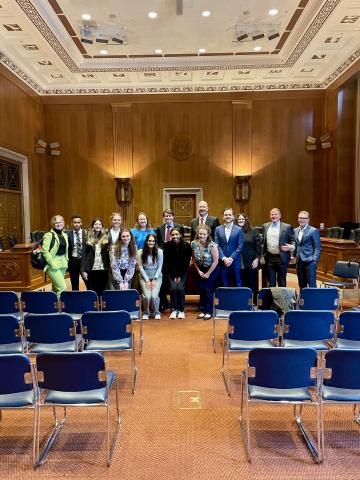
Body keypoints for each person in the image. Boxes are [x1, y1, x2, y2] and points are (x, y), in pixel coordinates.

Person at [156, 209, 185, 311]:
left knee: (176, 283)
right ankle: (164, 302)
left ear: (173, 217)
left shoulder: (180, 227)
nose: (168, 218)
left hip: (176, 258)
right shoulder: (159, 228)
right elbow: (158, 243)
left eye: (170, 216)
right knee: (164, 282)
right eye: (166, 216)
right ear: (164, 218)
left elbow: (183, 242)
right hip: (164, 258)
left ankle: (178, 304)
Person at [191, 224, 219, 319]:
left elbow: (215, 261)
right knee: (202, 289)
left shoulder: (212, 245)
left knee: (208, 289)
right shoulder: (193, 244)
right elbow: (194, 259)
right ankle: (202, 310)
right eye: (200, 234)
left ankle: (209, 311)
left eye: (204, 234)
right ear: (197, 234)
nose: (202, 236)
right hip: (200, 269)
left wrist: (208, 273)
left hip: (212, 269)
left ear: (208, 234)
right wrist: (198, 271)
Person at [262, 208, 295, 287]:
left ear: (280, 216)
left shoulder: (287, 227)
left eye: (276, 214)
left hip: (282, 257)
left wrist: (292, 247)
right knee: (271, 282)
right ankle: (271, 299)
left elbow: (293, 240)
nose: (274, 216)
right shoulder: (265, 226)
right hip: (269, 257)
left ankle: (281, 299)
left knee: (281, 281)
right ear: (270, 216)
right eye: (272, 214)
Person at [163, 227, 192, 319]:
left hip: (182, 272)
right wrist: (174, 274)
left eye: (176, 234)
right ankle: (173, 310)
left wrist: (179, 275)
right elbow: (167, 261)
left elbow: (186, 262)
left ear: (180, 235)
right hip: (171, 272)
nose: (175, 236)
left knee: (180, 289)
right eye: (173, 235)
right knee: (173, 289)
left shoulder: (187, 246)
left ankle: (181, 310)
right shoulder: (167, 245)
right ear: (170, 236)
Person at [214, 207, 244, 287]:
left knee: (238, 283)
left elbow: (240, 246)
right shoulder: (218, 229)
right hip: (222, 261)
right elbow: (217, 245)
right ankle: (224, 300)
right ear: (223, 217)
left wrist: (231, 259)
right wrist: (224, 258)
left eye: (229, 215)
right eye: (226, 215)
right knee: (224, 284)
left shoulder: (239, 229)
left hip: (235, 261)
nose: (228, 216)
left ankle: (238, 300)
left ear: (233, 216)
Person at [81, 218, 109, 298]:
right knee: (92, 289)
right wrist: (83, 270)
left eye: (99, 224)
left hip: (103, 268)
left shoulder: (106, 237)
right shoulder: (87, 237)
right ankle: (94, 307)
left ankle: (101, 307)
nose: (98, 226)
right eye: (96, 224)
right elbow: (83, 255)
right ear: (92, 226)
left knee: (102, 289)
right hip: (91, 268)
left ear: (102, 226)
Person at [137, 234, 163, 319]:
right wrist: (147, 280)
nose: (151, 243)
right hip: (144, 275)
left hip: (157, 275)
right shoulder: (140, 251)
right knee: (147, 296)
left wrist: (155, 279)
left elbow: (160, 267)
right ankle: (146, 312)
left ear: (155, 242)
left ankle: (156, 312)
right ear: (146, 241)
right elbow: (140, 266)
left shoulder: (159, 251)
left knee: (154, 296)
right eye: (149, 241)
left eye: (153, 241)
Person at [293, 210, 321, 289]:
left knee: (311, 284)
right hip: (299, 261)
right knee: (301, 284)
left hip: (310, 261)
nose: (302, 220)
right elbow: (296, 245)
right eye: (300, 218)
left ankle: (313, 301)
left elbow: (317, 247)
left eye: (304, 218)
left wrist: (314, 260)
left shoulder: (313, 230)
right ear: (298, 219)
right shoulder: (295, 230)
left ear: (308, 220)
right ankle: (303, 301)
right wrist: (293, 256)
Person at [42, 214, 69, 295]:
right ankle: (61, 307)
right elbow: (45, 251)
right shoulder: (48, 235)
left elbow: (66, 249)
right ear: (53, 224)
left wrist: (66, 260)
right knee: (62, 288)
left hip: (63, 263)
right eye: (56, 222)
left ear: (63, 223)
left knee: (56, 288)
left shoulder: (65, 235)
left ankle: (53, 306)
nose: (59, 224)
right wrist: (51, 263)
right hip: (52, 264)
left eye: (60, 222)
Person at [237, 213, 262, 296]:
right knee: (241, 281)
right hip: (237, 260)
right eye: (239, 219)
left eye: (242, 219)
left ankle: (252, 302)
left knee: (252, 281)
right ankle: (242, 301)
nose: (241, 220)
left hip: (250, 260)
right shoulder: (234, 231)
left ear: (246, 220)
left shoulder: (253, 231)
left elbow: (258, 246)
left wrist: (256, 259)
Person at [67, 214, 87, 290]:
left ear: (81, 223)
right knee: (74, 284)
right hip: (73, 261)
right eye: (75, 222)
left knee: (88, 282)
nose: (77, 224)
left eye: (78, 222)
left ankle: (90, 300)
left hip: (84, 261)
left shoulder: (86, 233)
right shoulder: (68, 235)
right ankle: (75, 300)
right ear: (72, 223)